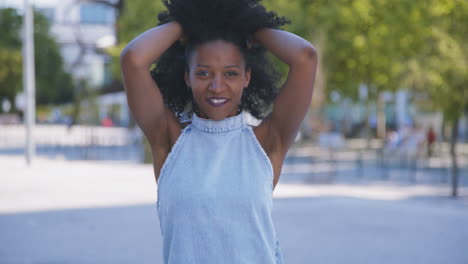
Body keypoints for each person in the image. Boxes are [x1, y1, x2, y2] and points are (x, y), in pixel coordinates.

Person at [120, 0, 317, 263]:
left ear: (247, 77)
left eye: (231, 74)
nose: (216, 86)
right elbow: (133, 58)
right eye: (203, 73)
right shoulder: (168, 141)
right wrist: (189, 24)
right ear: (187, 77)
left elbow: (305, 57)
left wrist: (247, 27)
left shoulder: (267, 143)